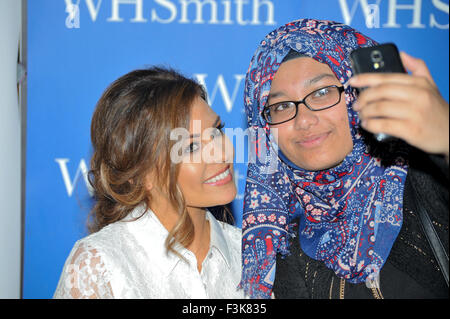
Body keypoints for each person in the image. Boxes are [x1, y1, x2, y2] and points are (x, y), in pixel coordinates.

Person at [240, 19, 449, 299]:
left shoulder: (426, 182)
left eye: (322, 92)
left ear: (359, 93)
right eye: (281, 106)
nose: (303, 120)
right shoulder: (284, 246)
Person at [54, 67, 244, 298]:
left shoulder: (251, 254)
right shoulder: (100, 267)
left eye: (216, 131)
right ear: (141, 174)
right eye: (191, 147)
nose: (221, 152)